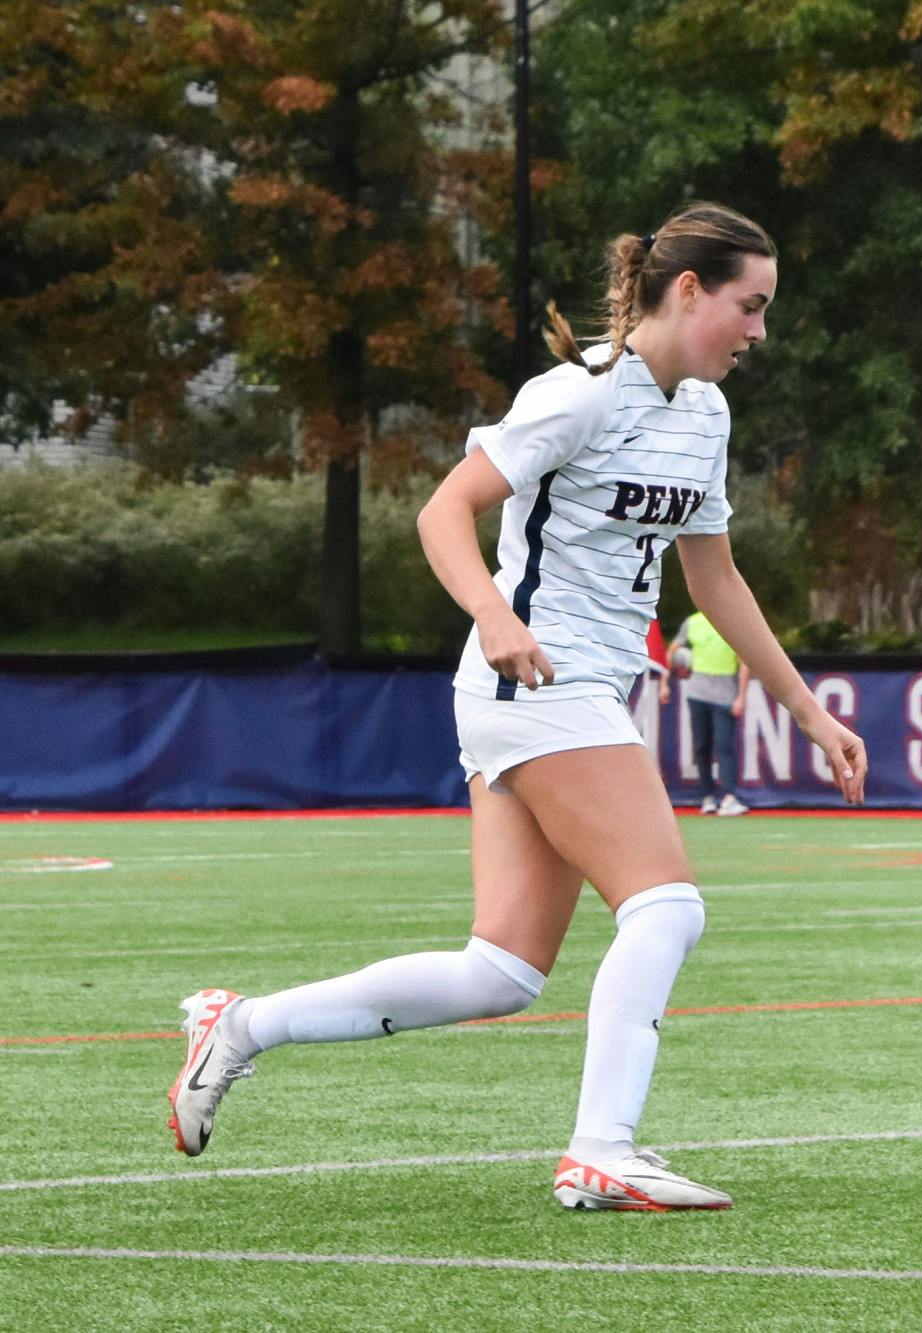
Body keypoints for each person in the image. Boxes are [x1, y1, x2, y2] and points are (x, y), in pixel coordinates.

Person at [166, 202, 868, 1213]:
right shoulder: (576, 394)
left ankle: (240, 1026)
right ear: (685, 292)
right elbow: (442, 509)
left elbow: (712, 579)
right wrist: (494, 614)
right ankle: (601, 1152)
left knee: (497, 969)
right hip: (537, 686)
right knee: (666, 905)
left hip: (570, 693)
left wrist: (804, 707)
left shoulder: (704, 415)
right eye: (747, 306)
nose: (758, 331)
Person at [668, 610, 750, 815]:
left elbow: (744, 661)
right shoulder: (693, 621)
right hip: (697, 693)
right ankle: (707, 797)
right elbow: (673, 651)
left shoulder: (732, 620)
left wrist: (741, 696)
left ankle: (729, 797)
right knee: (701, 746)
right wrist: (671, 676)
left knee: (724, 746)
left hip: (725, 695)